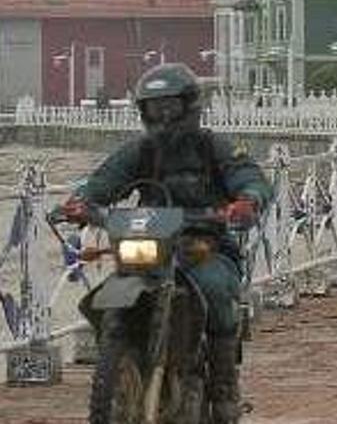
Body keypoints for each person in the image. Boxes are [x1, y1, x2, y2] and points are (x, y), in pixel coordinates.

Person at [58, 63, 271, 423]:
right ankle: (122, 355)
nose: (163, 116)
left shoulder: (213, 147)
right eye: (155, 108)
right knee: (109, 291)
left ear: (189, 106)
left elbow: (248, 175)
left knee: (216, 290)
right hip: (151, 241)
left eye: (170, 107)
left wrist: (247, 201)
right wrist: (80, 203)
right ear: (143, 112)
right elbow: (103, 181)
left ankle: (223, 392)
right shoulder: (141, 151)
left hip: (204, 245)